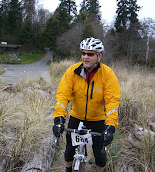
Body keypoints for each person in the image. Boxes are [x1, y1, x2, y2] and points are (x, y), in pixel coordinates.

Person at [52, 37, 121, 172]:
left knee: (100, 155)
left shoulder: (107, 74)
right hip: (76, 117)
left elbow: (112, 101)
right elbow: (62, 96)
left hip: (98, 119)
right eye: (83, 53)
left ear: (99, 56)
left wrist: (111, 126)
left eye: (90, 54)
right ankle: (68, 169)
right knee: (69, 151)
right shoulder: (72, 71)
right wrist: (58, 119)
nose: (85, 57)